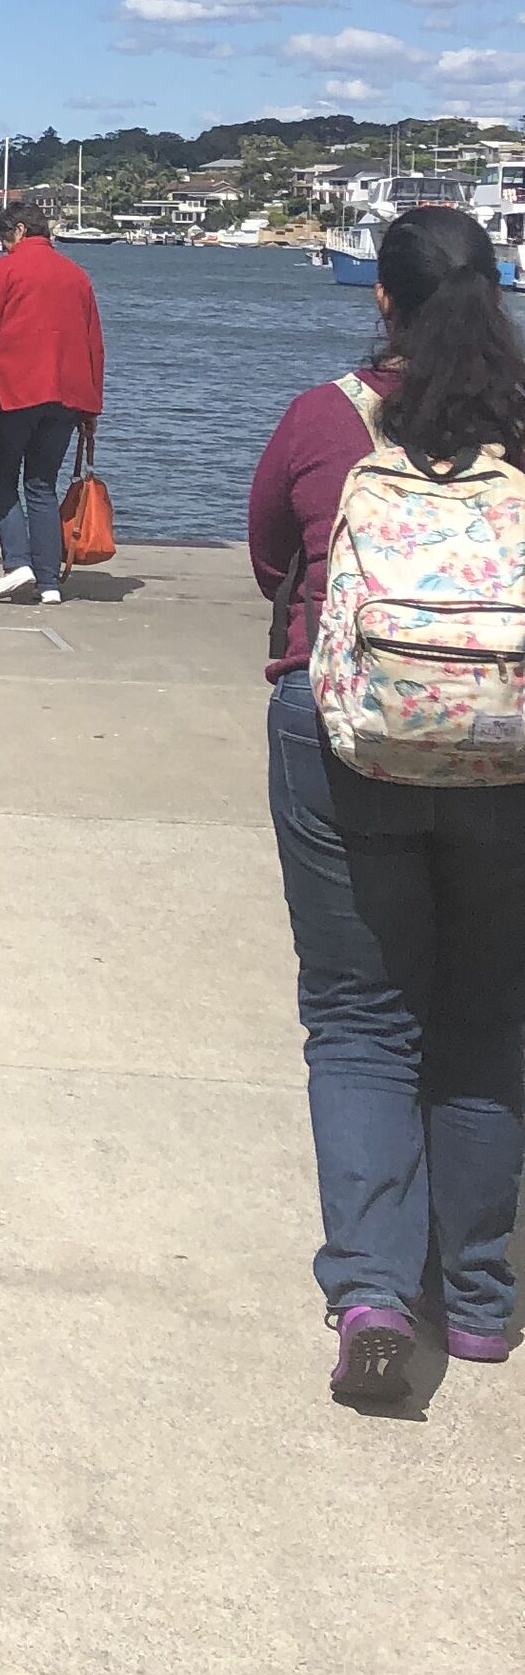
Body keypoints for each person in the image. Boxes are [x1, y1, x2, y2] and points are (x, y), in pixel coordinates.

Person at [249, 206, 525, 1410]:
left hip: (347, 738)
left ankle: (370, 1295)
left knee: (363, 1018)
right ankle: (476, 1304)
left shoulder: (326, 416)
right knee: (484, 1019)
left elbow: (271, 556)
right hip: (509, 750)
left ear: (382, 300)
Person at [0, 199, 104, 603]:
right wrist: (91, 408)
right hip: (66, 398)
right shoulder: (77, 276)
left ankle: (17, 562)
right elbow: (93, 344)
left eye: (2, 240)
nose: (1, 248)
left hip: (13, 392)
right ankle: (49, 583)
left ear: (18, 232)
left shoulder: (2, 271)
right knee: (42, 485)